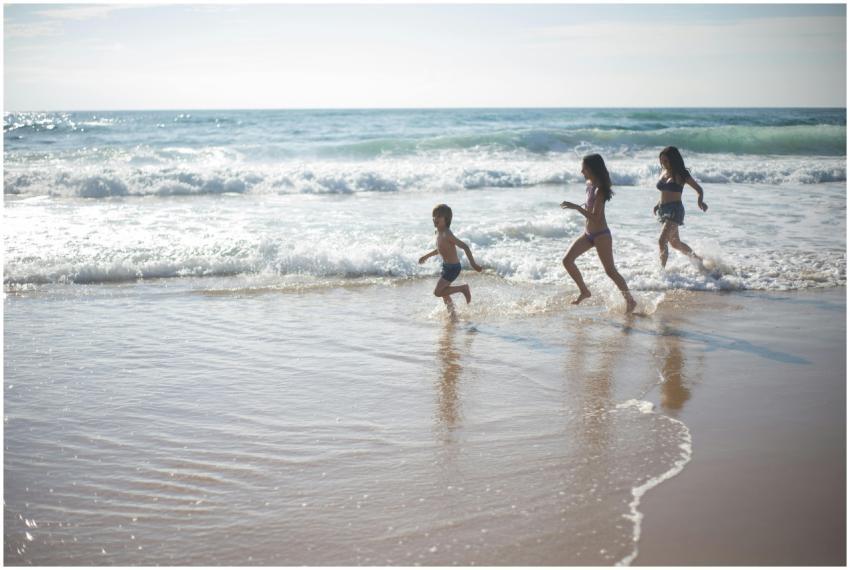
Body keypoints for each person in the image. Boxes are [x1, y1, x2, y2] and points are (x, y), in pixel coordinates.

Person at [560, 154, 636, 314]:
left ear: (592, 169)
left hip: (601, 235)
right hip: (588, 234)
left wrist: (577, 208)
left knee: (610, 271)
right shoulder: (589, 184)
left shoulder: (600, 190)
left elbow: (595, 217)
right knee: (567, 260)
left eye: (584, 168)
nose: (581, 171)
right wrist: (583, 206)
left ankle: (630, 301)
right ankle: (584, 291)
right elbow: (590, 206)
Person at [418, 204, 483, 312]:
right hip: (446, 267)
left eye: (439, 216)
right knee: (444, 292)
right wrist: (426, 256)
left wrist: (473, 264)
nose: (435, 218)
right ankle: (452, 313)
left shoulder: (447, 233)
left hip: (453, 268)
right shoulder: (438, 232)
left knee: (438, 292)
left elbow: (465, 246)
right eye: (434, 216)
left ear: (446, 219)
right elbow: (440, 249)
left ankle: (463, 288)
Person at [654, 146, 708, 268]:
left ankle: (662, 272)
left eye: (666, 161)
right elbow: (665, 192)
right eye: (662, 161)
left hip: (675, 210)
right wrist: (658, 204)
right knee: (675, 243)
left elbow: (699, 189)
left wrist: (700, 201)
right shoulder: (663, 172)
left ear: (673, 160)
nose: (663, 164)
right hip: (663, 210)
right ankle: (699, 261)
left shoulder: (681, 174)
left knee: (662, 240)